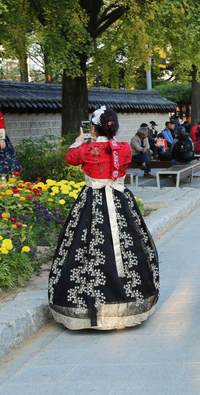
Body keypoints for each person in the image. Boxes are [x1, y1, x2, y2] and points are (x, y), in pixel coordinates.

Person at [48, 106, 159, 330]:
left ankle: (90, 306)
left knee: (87, 248)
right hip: (119, 200)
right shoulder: (125, 148)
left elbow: (70, 158)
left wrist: (80, 140)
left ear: (94, 128)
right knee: (129, 246)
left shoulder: (87, 149)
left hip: (92, 201)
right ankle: (127, 301)